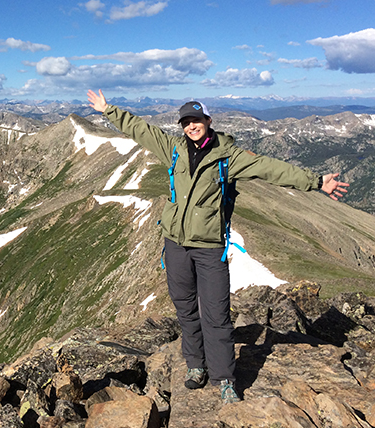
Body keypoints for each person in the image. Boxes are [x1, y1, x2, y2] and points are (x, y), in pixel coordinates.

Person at [86, 89, 349, 404]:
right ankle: (196, 366)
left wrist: (317, 181)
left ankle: (225, 378)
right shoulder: (173, 148)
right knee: (185, 309)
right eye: (186, 121)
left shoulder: (228, 156)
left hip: (210, 247)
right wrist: (108, 110)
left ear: (208, 121)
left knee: (216, 314)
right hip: (175, 245)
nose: (191, 126)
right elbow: (141, 130)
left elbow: (271, 168)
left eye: (196, 120)